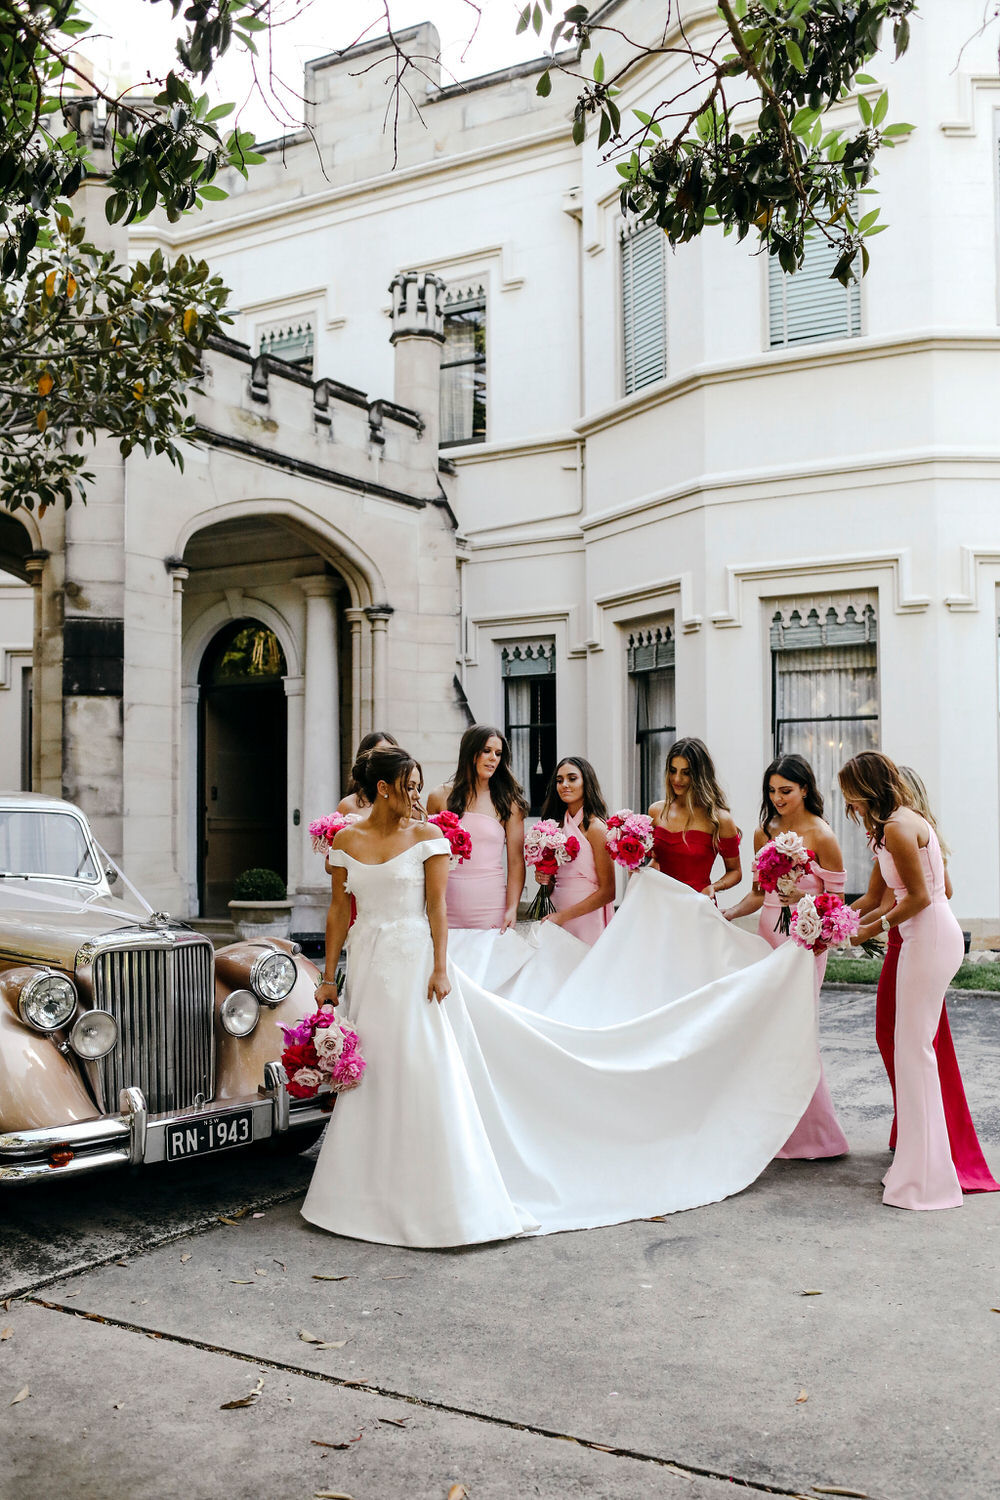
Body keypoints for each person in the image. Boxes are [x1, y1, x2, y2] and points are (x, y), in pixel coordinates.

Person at [301, 745, 820, 1248]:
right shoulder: (346, 840)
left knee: (418, 1060)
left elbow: (435, 909)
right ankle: (362, 1183)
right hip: (368, 962)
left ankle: (430, 1185)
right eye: (408, 788)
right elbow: (338, 911)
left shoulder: (430, 837)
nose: (416, 797)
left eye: (420, 787)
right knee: (373, 1060)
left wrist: (441, 967)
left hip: (414, 960)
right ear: (384, 788)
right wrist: (329, 976)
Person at [840, 751, 996, 1209]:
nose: (848, 801)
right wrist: (836, 921)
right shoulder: (898, 824)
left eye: (850, 792)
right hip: (923, 936)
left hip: (926, 936)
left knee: (915, 1053)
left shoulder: (896, 827)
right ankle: (917, 1165)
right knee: (912, 1053)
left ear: (866, 788)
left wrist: (869, 929)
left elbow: (923, 898)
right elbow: (881, 895)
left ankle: (928, 1179)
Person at [725, 753, 849, 1160]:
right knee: (769, 1029)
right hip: (769, 933)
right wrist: (725, 912)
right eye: (772, 791)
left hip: (805, 938)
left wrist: (804, 897)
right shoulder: (765, 833)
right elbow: (760, 893)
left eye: (786, 791)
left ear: (806, 790)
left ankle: (815, 1135)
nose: (777, 799)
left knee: (798, 1030)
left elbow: (837, 901)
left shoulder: (823, 835)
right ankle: (770, 1125)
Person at [427, 725, 526, 931]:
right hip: (446, 901)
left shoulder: (509, 802)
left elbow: (516, 861)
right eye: (487, 751)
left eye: (498, 754)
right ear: (470, 752)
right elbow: (427, 856)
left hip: (491, 902)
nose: (493, 758)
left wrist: (512, 907)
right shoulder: (439, 796)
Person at [648, 738, 742, 900]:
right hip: (661, 903)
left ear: (700, 775)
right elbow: (656, 861)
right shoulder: (656, 811)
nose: (677, 779)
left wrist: (714, 887)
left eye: (686, 773)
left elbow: (735, 871)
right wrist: (638, 872)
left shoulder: (719, 819)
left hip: (697, 904)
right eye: (672, 770)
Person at [535, 757, 615, 945]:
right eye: (559, 780)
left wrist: (564, 916)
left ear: (586, 782)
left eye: (572, 778)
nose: (564, 785)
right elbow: (554, 883)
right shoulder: (554, 826)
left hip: (586, 919)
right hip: (557, 913)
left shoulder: (596, 828)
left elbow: (609, 891)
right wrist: (544, 879)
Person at [337, 731, 400, 816]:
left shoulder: (403, 803)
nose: (388, 761)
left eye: (392, 755)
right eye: (381, 755)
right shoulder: (348, 805)